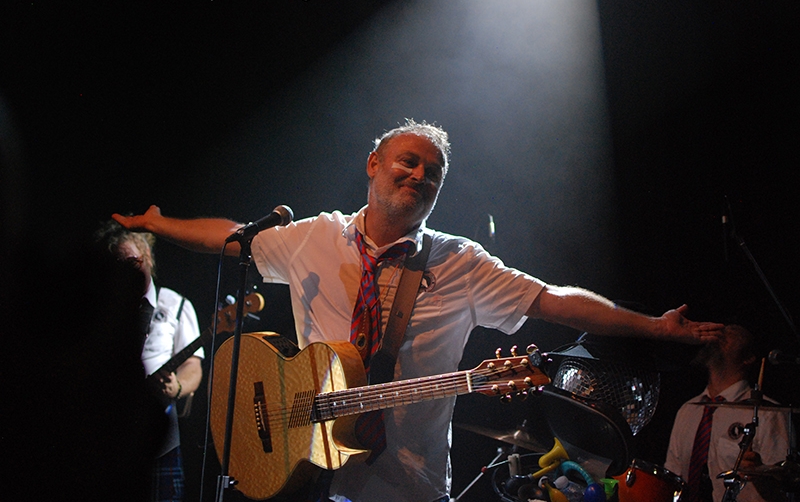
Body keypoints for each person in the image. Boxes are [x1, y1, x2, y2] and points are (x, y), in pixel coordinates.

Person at [113, 119, 724, 502]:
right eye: (409, 160)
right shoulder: (312, 237)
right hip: (296, 466)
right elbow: (231, 238)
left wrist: (652, 326)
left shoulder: (460, 261)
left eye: (434, 173)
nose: (421, 174)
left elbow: (555, 302)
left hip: (407, 483)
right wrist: (158, 225)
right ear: (374, 164)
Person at [95, 221, 205, 502]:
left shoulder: (175, 305)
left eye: (133, 261)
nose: (128, 271)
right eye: (119, 264)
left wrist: (178, 387)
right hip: (105, 437)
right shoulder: (102, 308)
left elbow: (193, 366)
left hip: (160, 444)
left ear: (147, 256)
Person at [665, 324, 793, 502]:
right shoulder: (689, 410)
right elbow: (671, 478)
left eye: (730, 333)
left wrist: (759, 473)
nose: (720, 335)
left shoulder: (767, 413)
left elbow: (783, 490)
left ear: (748, 357)